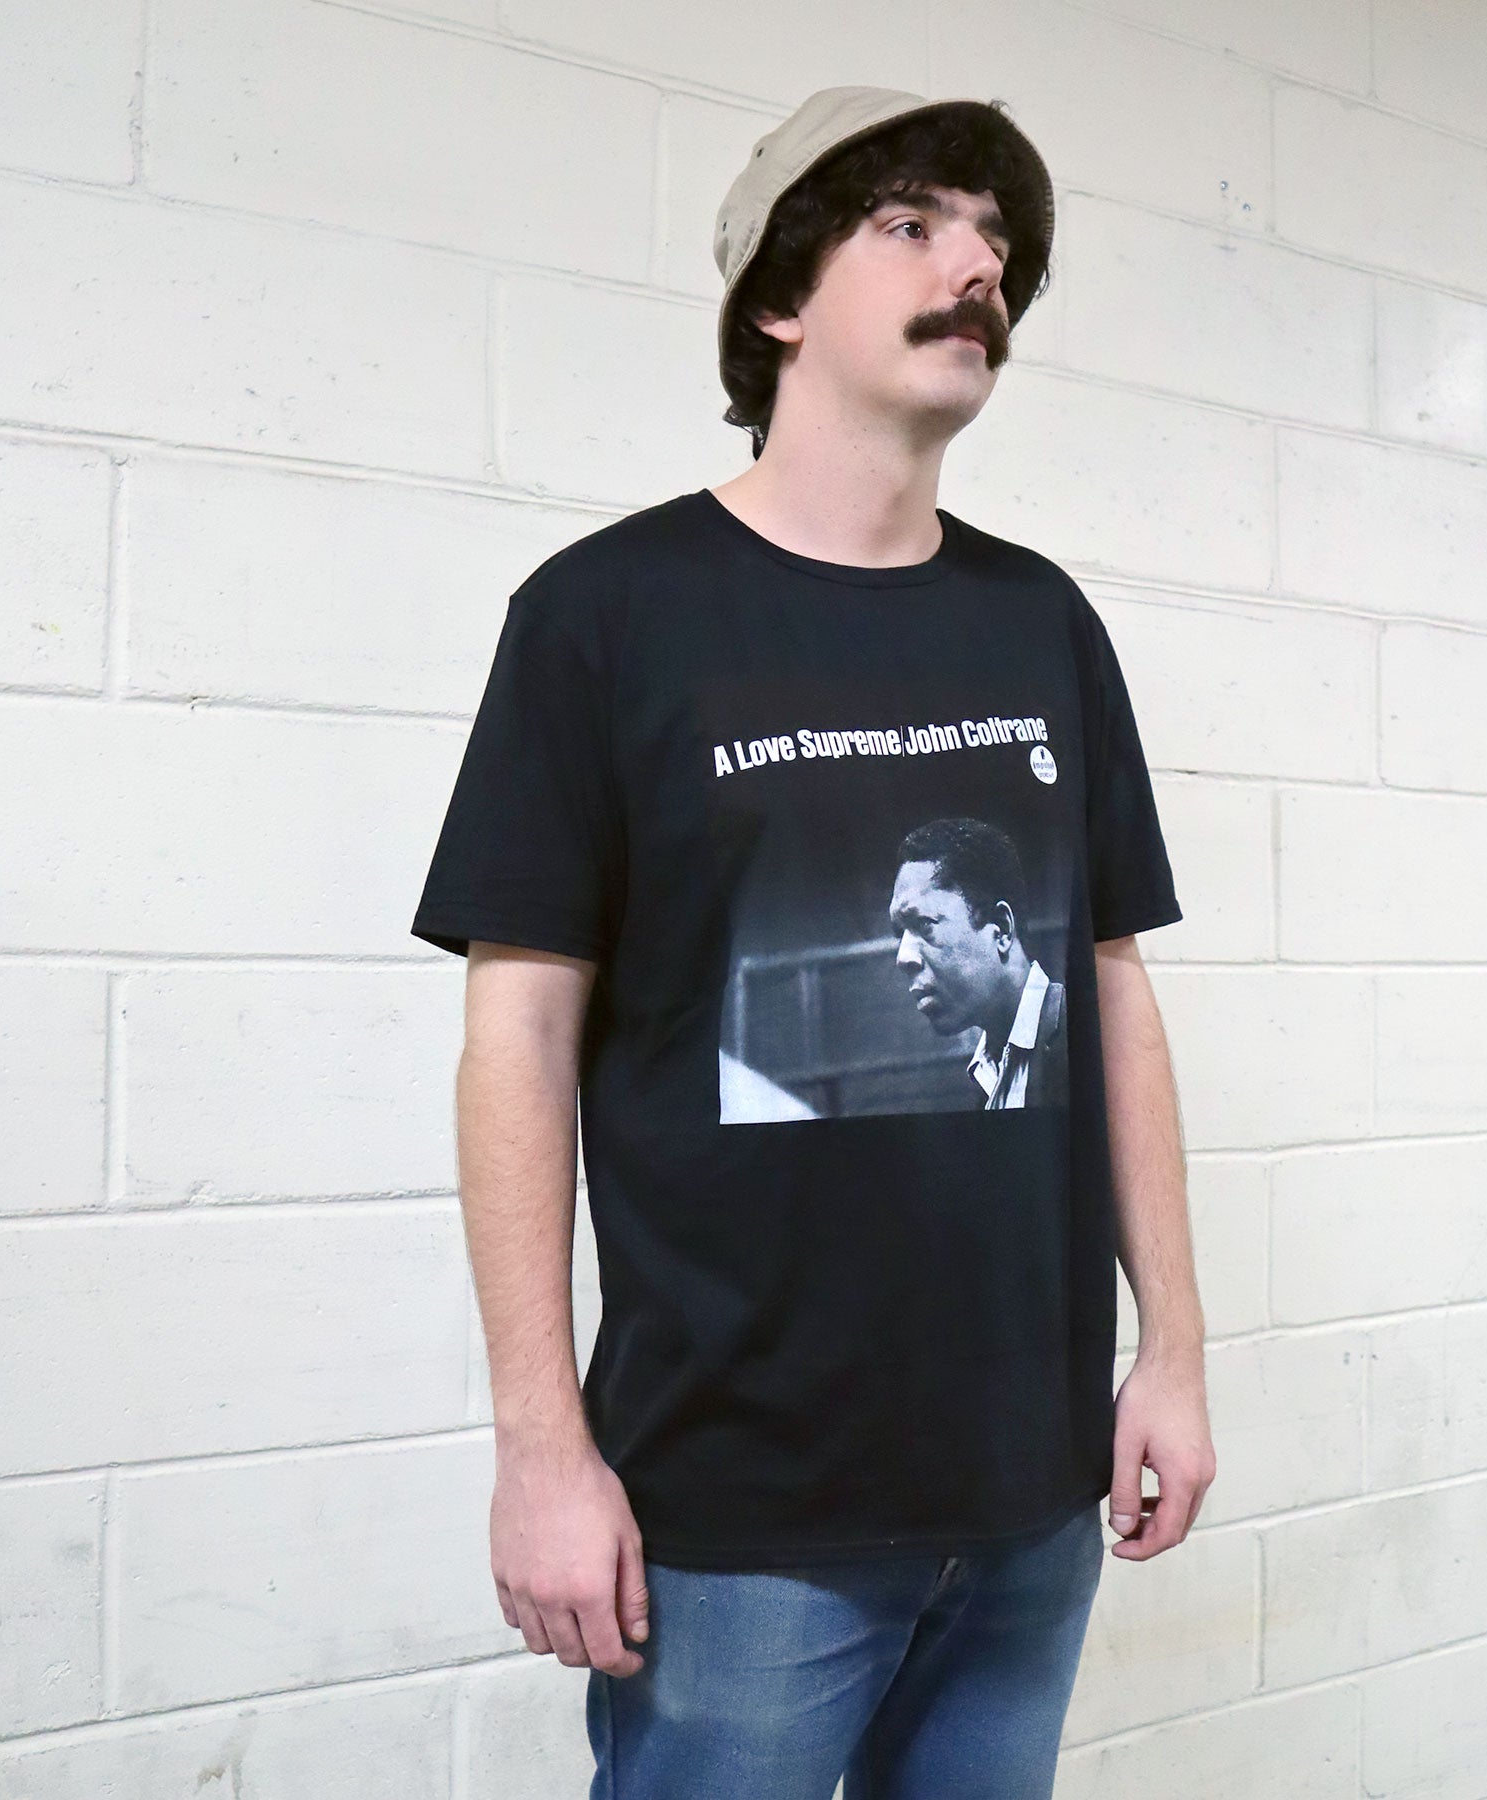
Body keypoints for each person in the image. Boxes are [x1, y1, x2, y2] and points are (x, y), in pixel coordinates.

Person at [411, 84, 1215, 1800]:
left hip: (1031, 1492)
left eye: (998, 245)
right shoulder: (607, 616)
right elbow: (518, 1040)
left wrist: (1175, 1351)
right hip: (738, 1523)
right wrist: (542, 1450)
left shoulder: (1042, 622)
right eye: (913, 225)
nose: (977, 267)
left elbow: (1115, 995)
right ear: (778, 299)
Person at [888, 814, 1068, 1109]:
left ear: (1002, 929)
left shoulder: (1084, 1040)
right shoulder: (987, 1075)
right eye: (900, 933)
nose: (903, 957)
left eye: (924, 924)